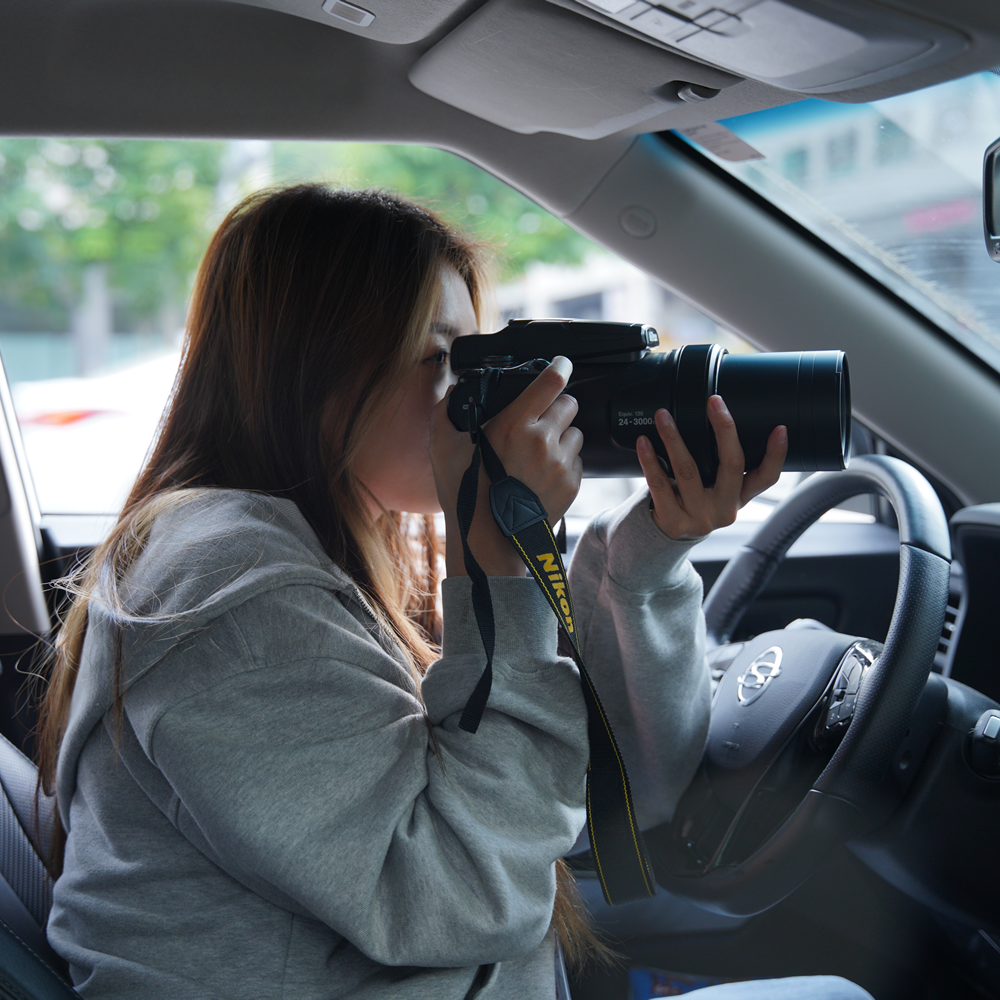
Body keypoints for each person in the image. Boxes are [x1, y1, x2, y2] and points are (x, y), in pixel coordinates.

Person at [37, 185, 871, 1000]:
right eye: (440, 359)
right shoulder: (230, 588)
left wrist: (646, 556)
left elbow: (613, 797)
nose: (473, 396)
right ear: (313, 369)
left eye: (475, 356)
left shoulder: (312, 556)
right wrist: (499, 561)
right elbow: (466, 897)